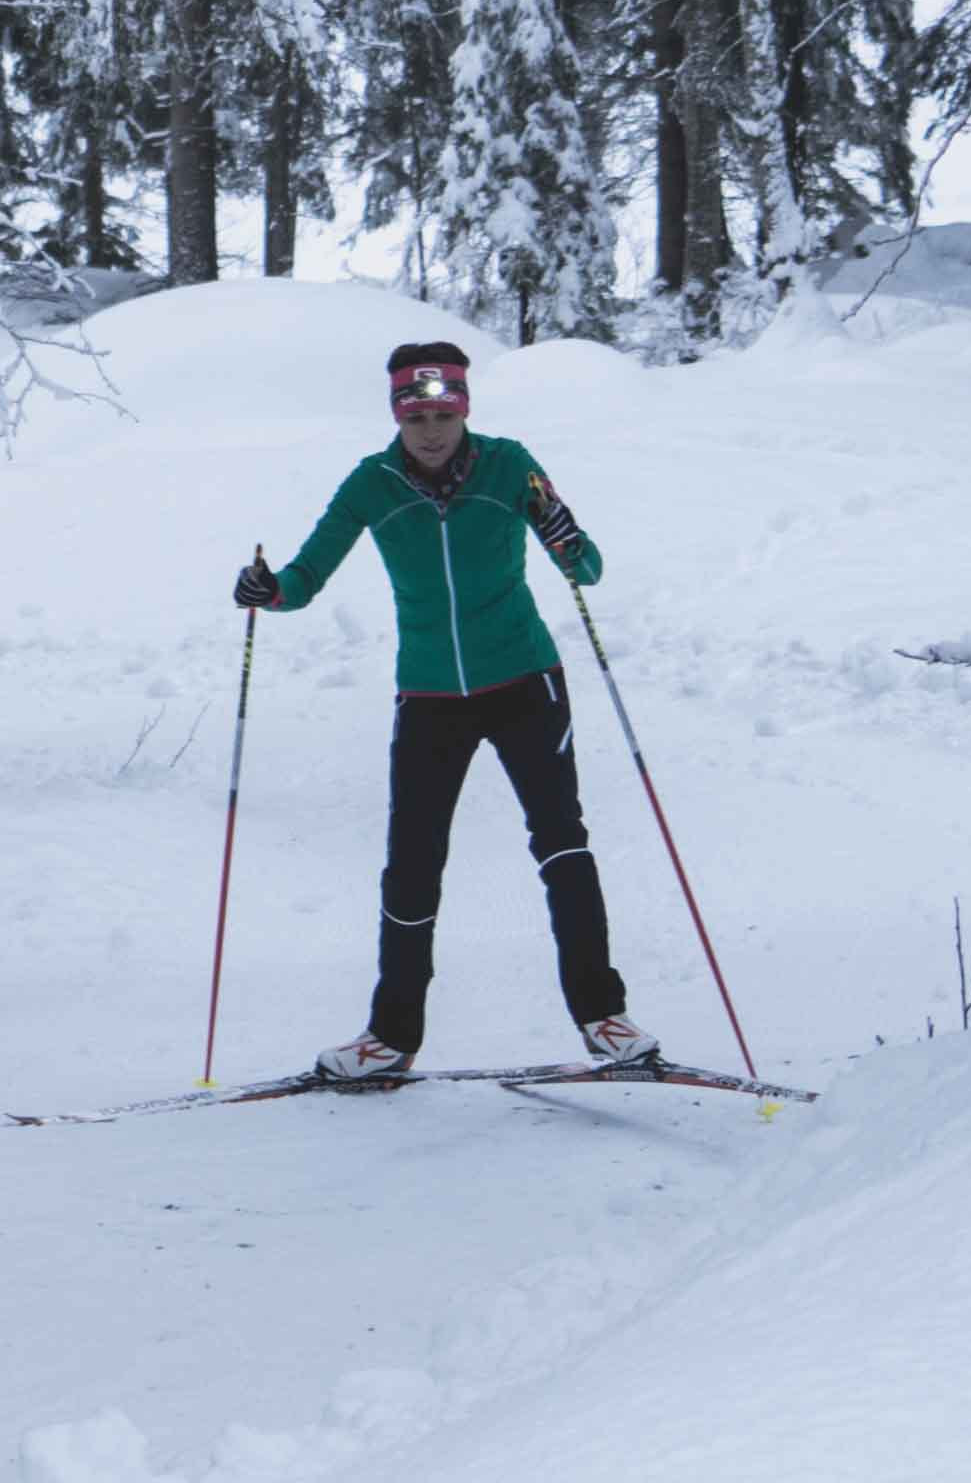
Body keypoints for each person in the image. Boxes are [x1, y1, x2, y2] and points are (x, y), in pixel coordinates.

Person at [232, 342, 656, 1084]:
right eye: (415, 414)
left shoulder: (510, 465)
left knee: (562, 844)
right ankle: (390, 1038)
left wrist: (564, 537)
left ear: (465, 409)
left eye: (443, 413)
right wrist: (268, 590)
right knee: (413, 866)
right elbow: (307, 575)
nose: (430, 429)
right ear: (397, 414)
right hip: (430, 696)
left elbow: (584, 568)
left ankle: (603, 1018)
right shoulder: (373, 482)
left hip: (526, 680)